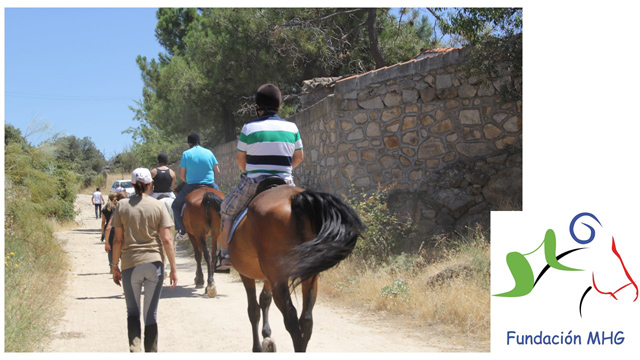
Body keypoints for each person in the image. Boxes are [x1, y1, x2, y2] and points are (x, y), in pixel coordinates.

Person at [218, 84, 304, 267]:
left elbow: (240, 160)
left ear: (258, 106)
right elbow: (299, 157)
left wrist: (247, 171)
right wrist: (286, 171)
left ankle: (224, 256)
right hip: (285, 182)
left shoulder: (249, 128)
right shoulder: (292, 127)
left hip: (254, 181)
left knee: (226, 209)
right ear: (279, 106)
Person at [111, 168, 177, 352]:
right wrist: (173, 268)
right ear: (150, 185)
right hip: (154, 264)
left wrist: (114, 265)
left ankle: (134, 349)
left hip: (130, 264)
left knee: (133, 312)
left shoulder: (122, 205)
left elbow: (118, 239)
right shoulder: (158, 206)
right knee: (151, 315)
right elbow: (167, 239)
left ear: (132, 185)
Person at [171, 132, 220, 240]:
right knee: (225, 203)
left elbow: (181, 175)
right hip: (210, 184)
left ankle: (182, 231)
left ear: (189, 143)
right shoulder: (209, 152)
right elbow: (217, 171)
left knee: (175, 206)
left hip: (191, 185)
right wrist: (211, 181)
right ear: (200, 142)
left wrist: (187, 181)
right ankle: (226, 227)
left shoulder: (186, 154)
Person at [104, 192, 129, 273]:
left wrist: (106, 242)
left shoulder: (116, 210)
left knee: (112, 249)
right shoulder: (131, 209)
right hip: (126, 232)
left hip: (114, 231)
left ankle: (113, 266)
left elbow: (108, 228)